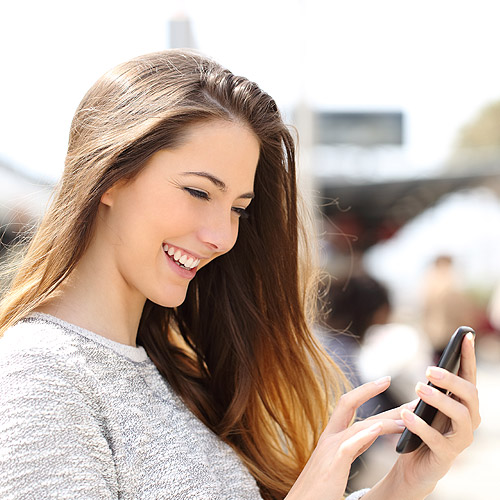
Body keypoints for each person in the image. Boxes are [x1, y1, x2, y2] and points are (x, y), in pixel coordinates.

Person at [0, 49, 480, 500]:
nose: (221, 236)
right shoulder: (38, 376)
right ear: (110, 176)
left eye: (238, 208)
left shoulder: (177, 369)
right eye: (198, 192)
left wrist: (399, 486)